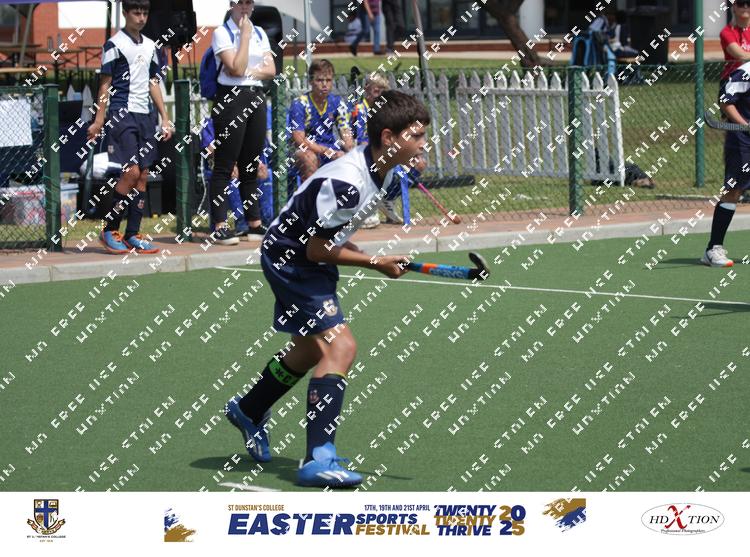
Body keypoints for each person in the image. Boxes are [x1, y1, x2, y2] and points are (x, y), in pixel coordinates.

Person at [224, 90, 430, 488]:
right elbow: (315, 248)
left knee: (307, 350)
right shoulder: (349, 181)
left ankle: (249, 409)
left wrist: (367, 254)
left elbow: (329, 236)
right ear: (389, 137)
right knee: (340, 347)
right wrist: (375, 262)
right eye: (417, 136)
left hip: (307, 258)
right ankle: (318, 458)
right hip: (291, 259)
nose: (423, 144)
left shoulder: (383, 172)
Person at [87, 0, 173, 255]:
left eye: (145, 12)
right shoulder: (114, 44)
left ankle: (132, 234)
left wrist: (164, 117)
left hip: (145, 117)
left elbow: (153, 83)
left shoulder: (151, 46)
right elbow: (105, 84)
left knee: (143, 175)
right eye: (136, 12)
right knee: (131, 173)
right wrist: (99, 120)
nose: (141, 17)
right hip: (121, 115)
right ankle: (109, 229)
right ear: (125, 13)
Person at [208, 0, 276, 246]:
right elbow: (234, 69)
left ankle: (254, 223)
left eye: (248, 3)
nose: (244, 7)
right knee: (225, 165)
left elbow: (271, 69)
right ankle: (220, 225)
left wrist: (249, 71)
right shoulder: (222, 33)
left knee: (250, 164)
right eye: (240, 3)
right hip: (231, 100)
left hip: (255, 96)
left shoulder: (260, 32)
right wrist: (244, 36)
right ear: (232, 5)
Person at [351, 71, 417, 226]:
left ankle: (388, 199)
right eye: (376, 91)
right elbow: (361, 139)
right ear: (366, 89)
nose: (379, 95)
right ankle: (369, 206)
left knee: (416, 163)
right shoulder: (360, 109)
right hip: (363, 151)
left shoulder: (384, 112)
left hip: (383, 150)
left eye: (382, 92)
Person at [701, 62, 750, 267]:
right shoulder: (746, 72)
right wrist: (745, 125)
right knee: (734, 190)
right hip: (742, 141)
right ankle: (713, 249)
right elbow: (725, 100)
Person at [289, 59, 354, 183]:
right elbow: (299, 140)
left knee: (348, 158)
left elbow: (346, 132)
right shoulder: (300, 103)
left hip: (331, 148)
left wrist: (350, 149)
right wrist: (327, 152)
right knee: (309, 158)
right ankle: (310, 194)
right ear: (310, 81)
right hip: (305, 150)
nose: (324, 84)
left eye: (328, 80)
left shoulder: (338, 102)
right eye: (319, 80)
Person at [720, 0, 750, 85]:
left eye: (749, 3)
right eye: (741, 3)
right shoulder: (727, 32)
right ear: (734, 7)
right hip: (733, 80)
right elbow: (741, 55)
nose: (745, 7)